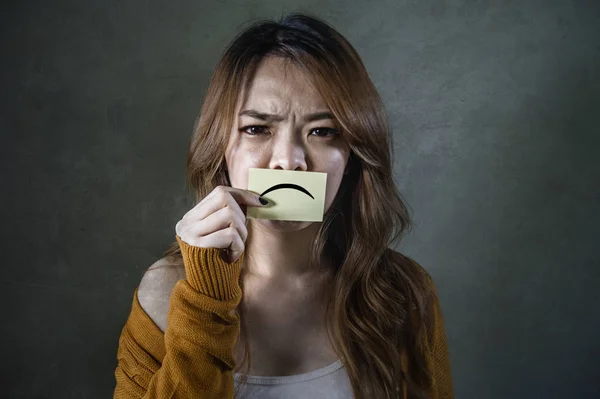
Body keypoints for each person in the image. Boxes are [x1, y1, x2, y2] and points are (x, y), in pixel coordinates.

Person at [113, 12, 454, 399]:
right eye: (257, 129)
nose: (288, 161)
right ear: (221, 147)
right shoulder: (163, 293)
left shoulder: (403, 293)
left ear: (353, 155)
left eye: (323, 132)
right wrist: (207, 296)